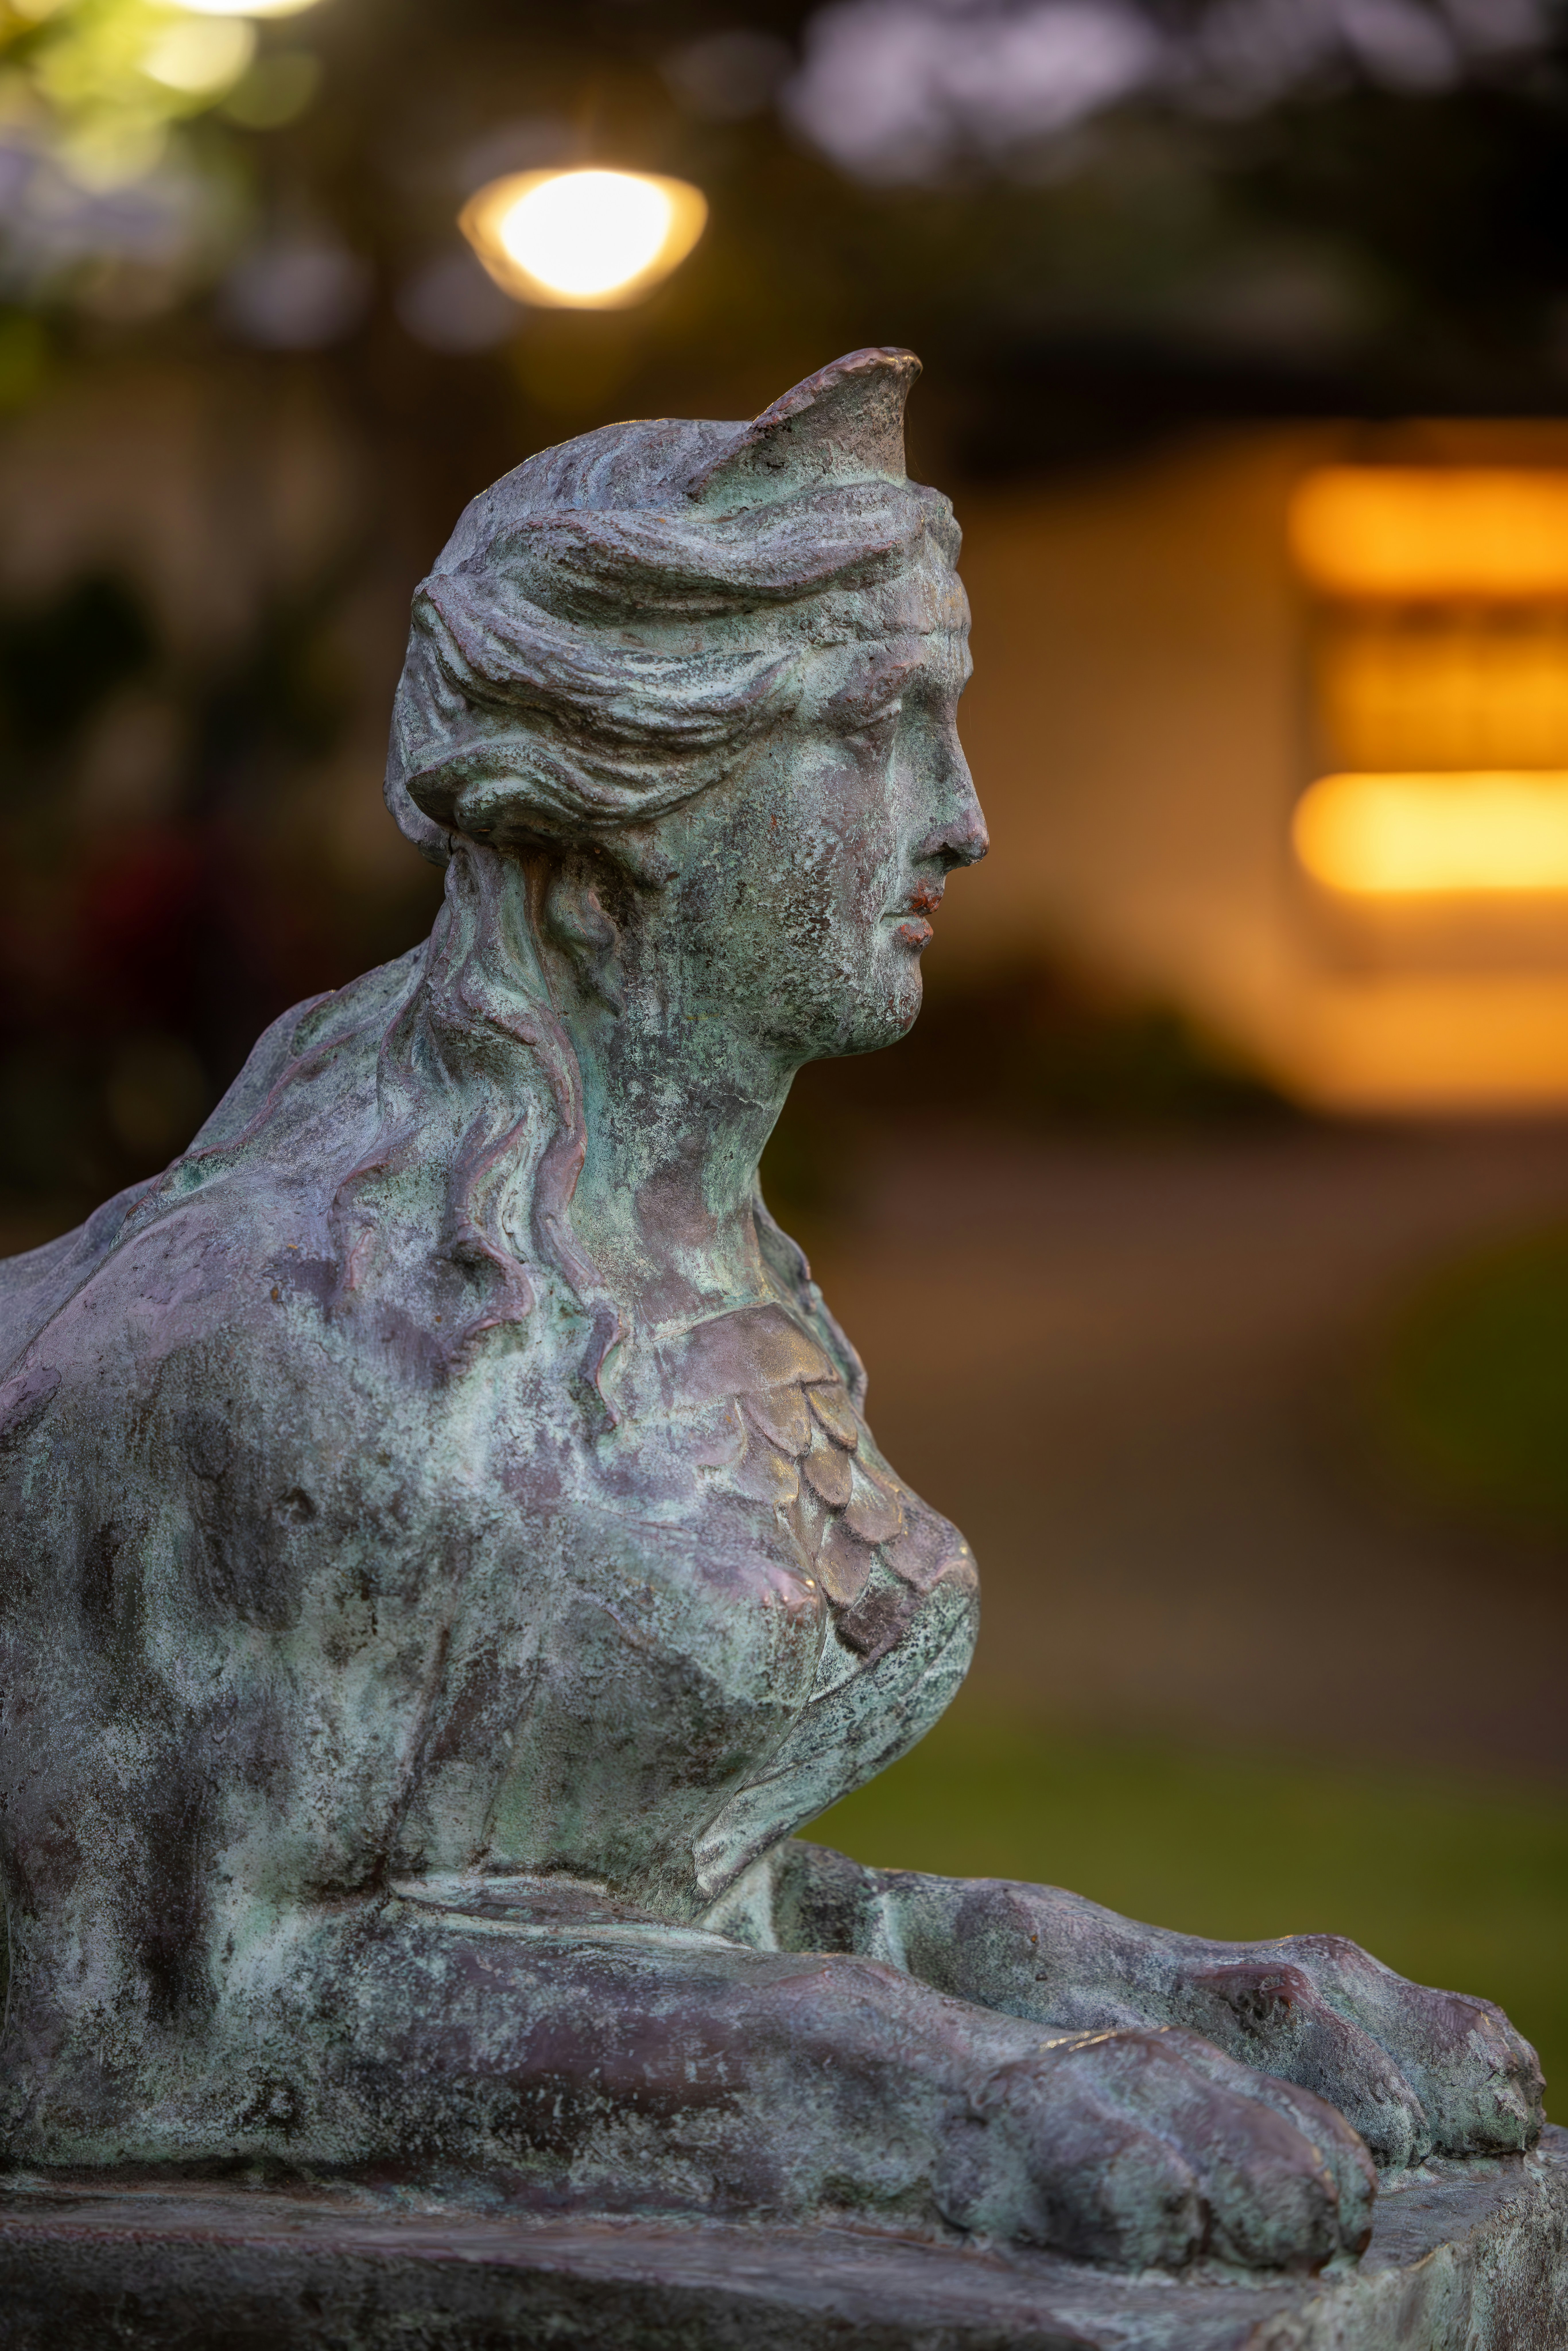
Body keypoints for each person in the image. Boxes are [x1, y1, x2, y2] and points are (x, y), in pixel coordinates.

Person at [0, 350, 1539, 2271]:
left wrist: (1132, 1978)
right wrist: (922, 2090)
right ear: (623, 784)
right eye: (877, 730)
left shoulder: (696, 1269)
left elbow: (619, 1901)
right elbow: (172, 2025)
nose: (964, 820)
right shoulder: (277, 1351)